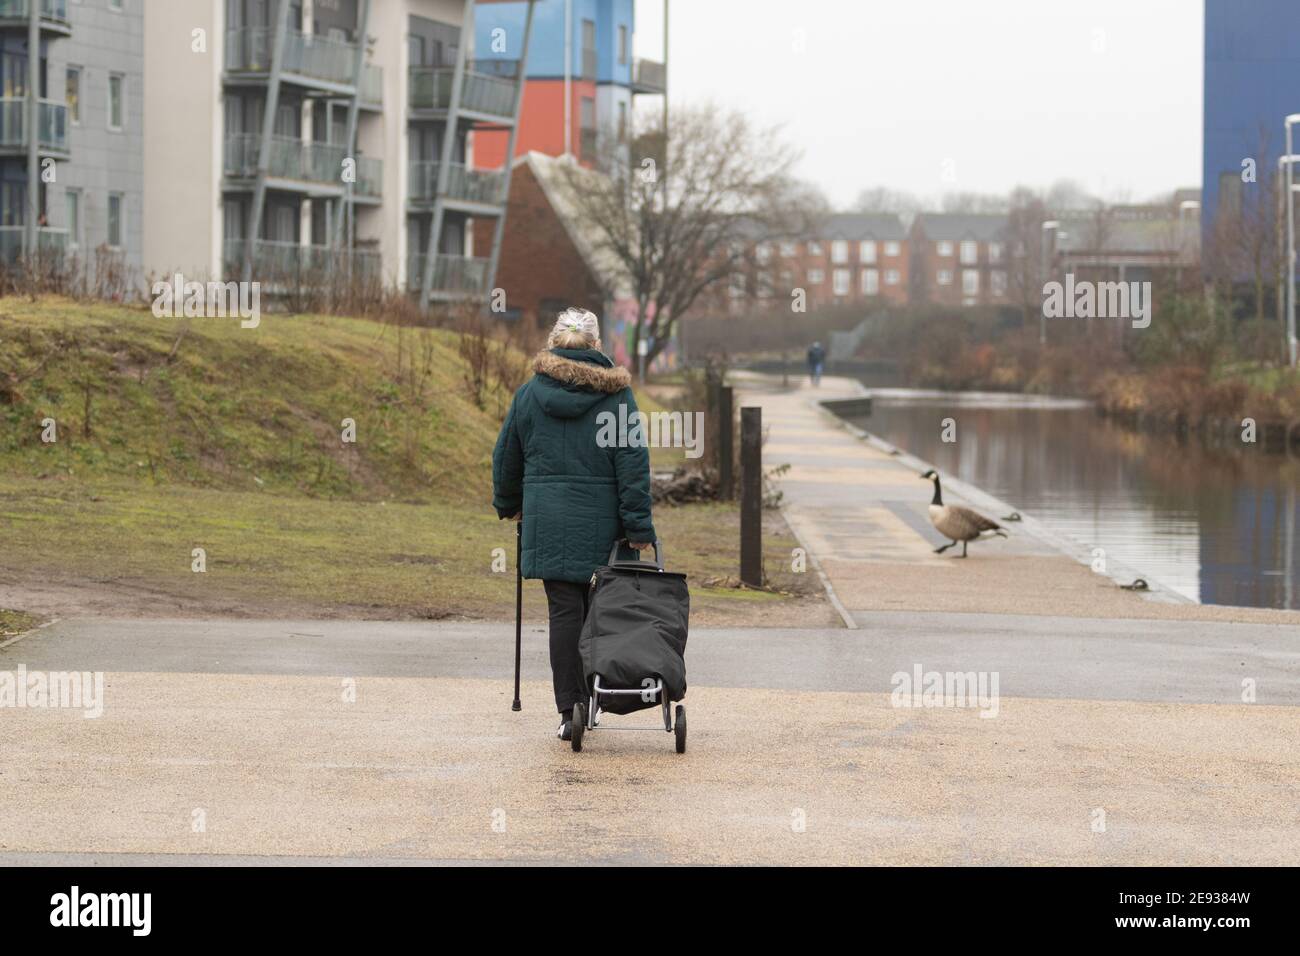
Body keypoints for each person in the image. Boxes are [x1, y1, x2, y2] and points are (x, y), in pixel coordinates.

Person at [492, 307, 656, 741]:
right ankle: (594, 695)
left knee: (564, 611)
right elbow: (633, 466)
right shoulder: (616, 398)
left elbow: (506, 456)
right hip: (602, 525)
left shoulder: (529, 395)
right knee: (597, 610)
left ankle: (571, 710)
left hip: (547, 520)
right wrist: (638, 528)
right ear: (597, 345)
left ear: (553, 342)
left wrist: (509, 504)